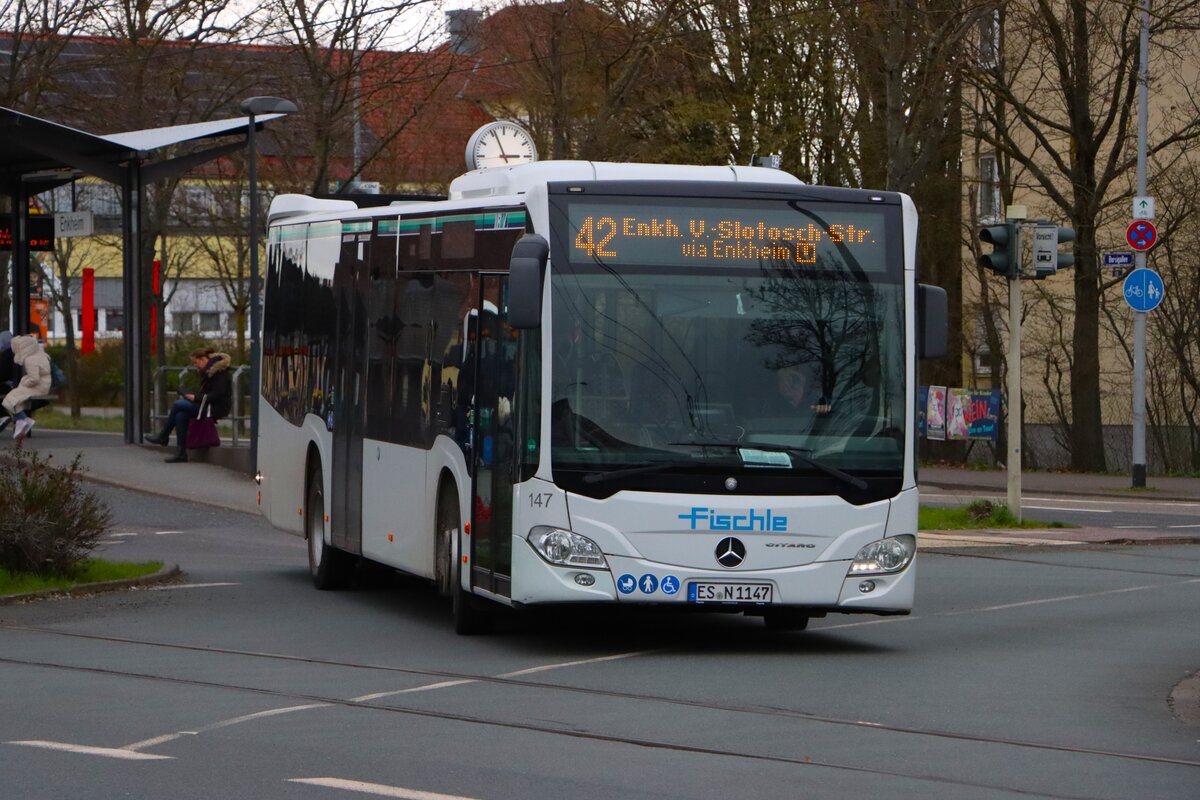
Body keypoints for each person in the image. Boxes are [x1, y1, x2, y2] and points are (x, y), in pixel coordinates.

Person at [144, 347, 233, 463]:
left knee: (177, 404)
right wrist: (195, 397)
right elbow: (209, 392)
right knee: (180, 416)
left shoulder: (220, 373)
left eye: (195, 363)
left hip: (215, 408)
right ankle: (181, 453)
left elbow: (218, 394)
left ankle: (163, 436)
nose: (195, 366)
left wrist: (196, 397)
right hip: (206, 405)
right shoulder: (210, 371)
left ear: (202, 359)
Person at [2, 335, 52, 441]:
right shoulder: (40, 355)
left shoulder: (29, 359)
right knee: (15, 399)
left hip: (36, 387)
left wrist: (24, 383)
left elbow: (34, 379)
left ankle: (21, 419)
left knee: (9, 399)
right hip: (43, 385)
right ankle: (23, 419)